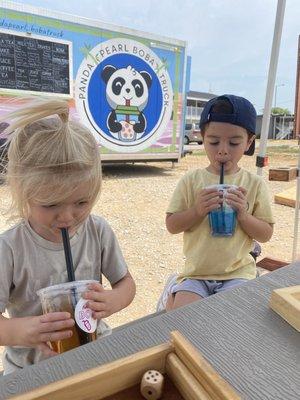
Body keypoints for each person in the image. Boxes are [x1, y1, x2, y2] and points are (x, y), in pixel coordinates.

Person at [0, 98, 136, 374]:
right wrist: (24, 330)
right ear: (24, 193)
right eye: (50, 205)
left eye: (81, 203)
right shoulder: (10, 249)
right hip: (30, 368)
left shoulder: (97, 231)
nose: (67, 217)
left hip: (94, 351)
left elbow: (126, 284)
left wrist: (113, 300)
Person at [157, 94, 274, 311]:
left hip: (238, 272)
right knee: (181, 321)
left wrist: (243, 215)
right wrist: (197, 211)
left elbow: (265, 234)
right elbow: (172, 225)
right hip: (196, 274)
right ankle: (173, 289)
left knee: (232, 321)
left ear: (249, 142)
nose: (222, 150)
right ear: (202, 137)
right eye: (213, 141)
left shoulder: (254, 184)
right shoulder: (192, 181)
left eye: (234, 142)